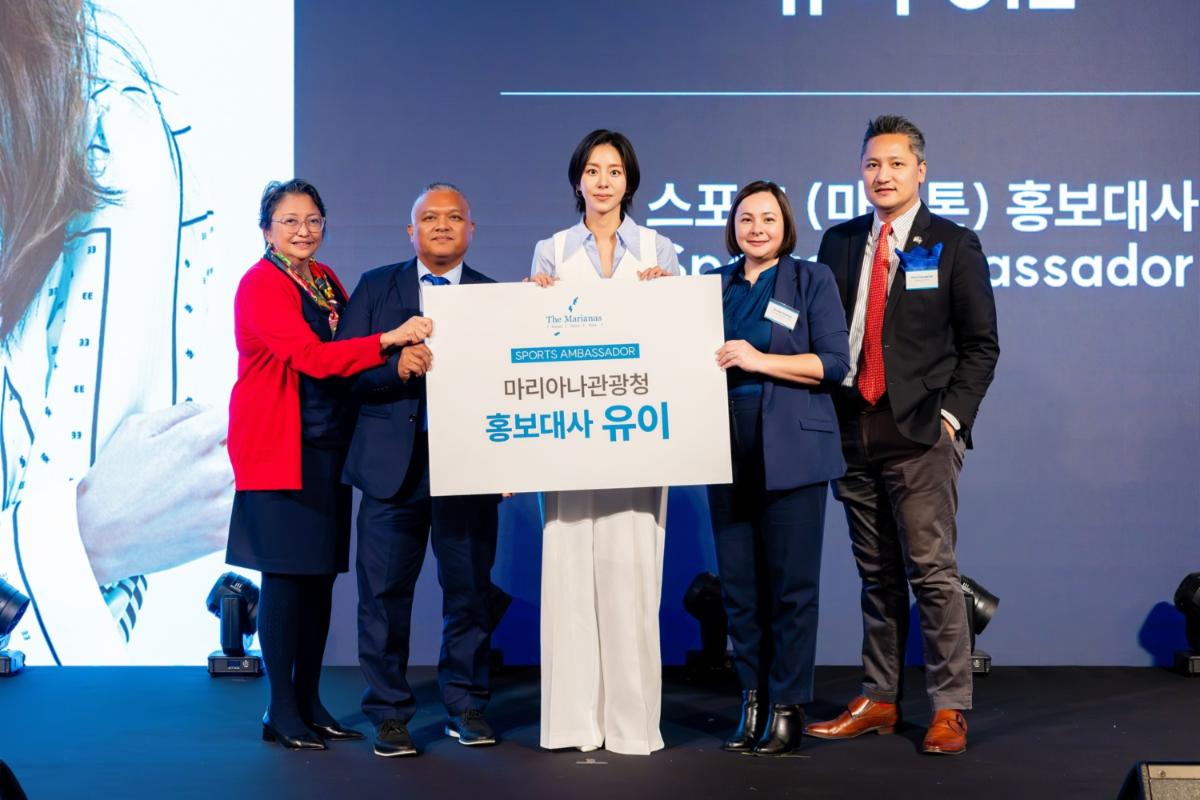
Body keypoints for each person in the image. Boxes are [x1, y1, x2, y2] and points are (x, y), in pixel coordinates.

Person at [0, 0, 233, 665]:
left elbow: (119, 488)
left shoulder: (106, 122)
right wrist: (80, 539)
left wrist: (80, 542)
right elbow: (116, 519)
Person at [805, 116, 999, 755]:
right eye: (871, 164)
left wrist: (951, 420)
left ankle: (949, 707)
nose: (882, 175)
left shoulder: (952, 243)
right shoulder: (838, 242)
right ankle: (880, 698)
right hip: (851, 426)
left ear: (920, 170)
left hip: (919, 430)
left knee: (932, 573)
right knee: (876, 575)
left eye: (894, 164)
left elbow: (981, 345)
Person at [226, 179, 429, 751]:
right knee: (286, 581)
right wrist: (390, 340)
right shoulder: (260, 283)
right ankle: (280, 710)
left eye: (313, 220)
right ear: (266, 229)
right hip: (279, 448)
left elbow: (344, 352)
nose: (303, 231)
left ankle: (309, 701)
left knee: (318, 582)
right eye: (290, 221)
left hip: (326, 448)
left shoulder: (323, 279)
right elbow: (311, 357)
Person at [528, 129, 679, 756]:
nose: (603, 181)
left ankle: (632, 725)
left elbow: (678, 336)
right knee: (568, 572)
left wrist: (667, 294)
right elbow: (530, 341)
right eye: (592, 170)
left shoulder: (659, 247)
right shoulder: (551, 250)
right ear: (577, 180)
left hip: (635, 431)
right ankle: (571, 723)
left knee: (632, 575)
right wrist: (532, 303)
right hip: (569, 438)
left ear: (629, 181)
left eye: (614, 171)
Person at [339, 183, 501, 758]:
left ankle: (466, 704)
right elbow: (343, 371)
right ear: (411, 232)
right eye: (429, 218)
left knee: (470, 593)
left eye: (454, 217)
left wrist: (512, 459)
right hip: (392, 470)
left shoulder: (494, 297)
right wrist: (395, 368)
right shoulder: (375, 287)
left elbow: (513, 383)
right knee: (383, 597)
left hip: (469, 468)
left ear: (471, 230)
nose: (441, 226)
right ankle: (388, 713)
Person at [708, 181, 850, 756]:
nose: (757, 228)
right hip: (722, 448)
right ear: (733, 226)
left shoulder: (811, 279)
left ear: (786, 225)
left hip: (792, 448)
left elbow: (834, 364)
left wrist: (757, 359)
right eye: (746, 218)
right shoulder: (712, 286)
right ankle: (753, 701)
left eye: (768, 218)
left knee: (792, 588)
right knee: (740, 590)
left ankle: (788, 705)